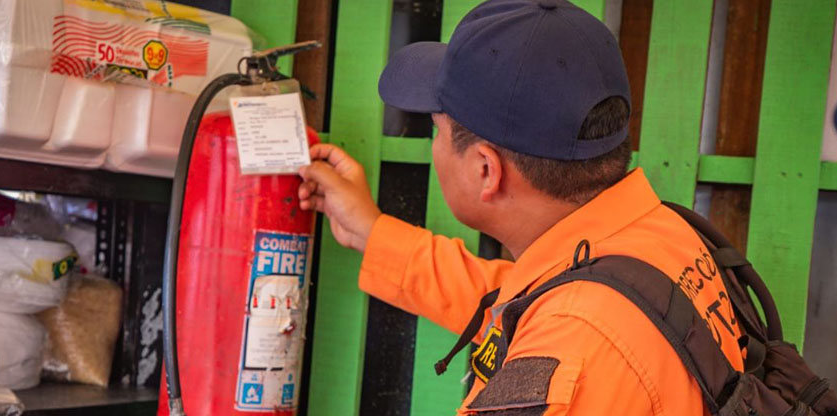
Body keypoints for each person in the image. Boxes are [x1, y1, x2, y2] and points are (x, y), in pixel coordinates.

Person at [297, 0, 743, 414]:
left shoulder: (571, 356)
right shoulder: (655, 235)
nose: (435, 146)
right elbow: (518, 298)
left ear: (486, 170)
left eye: (437, 130)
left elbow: (562, 321)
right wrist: (371, 232)